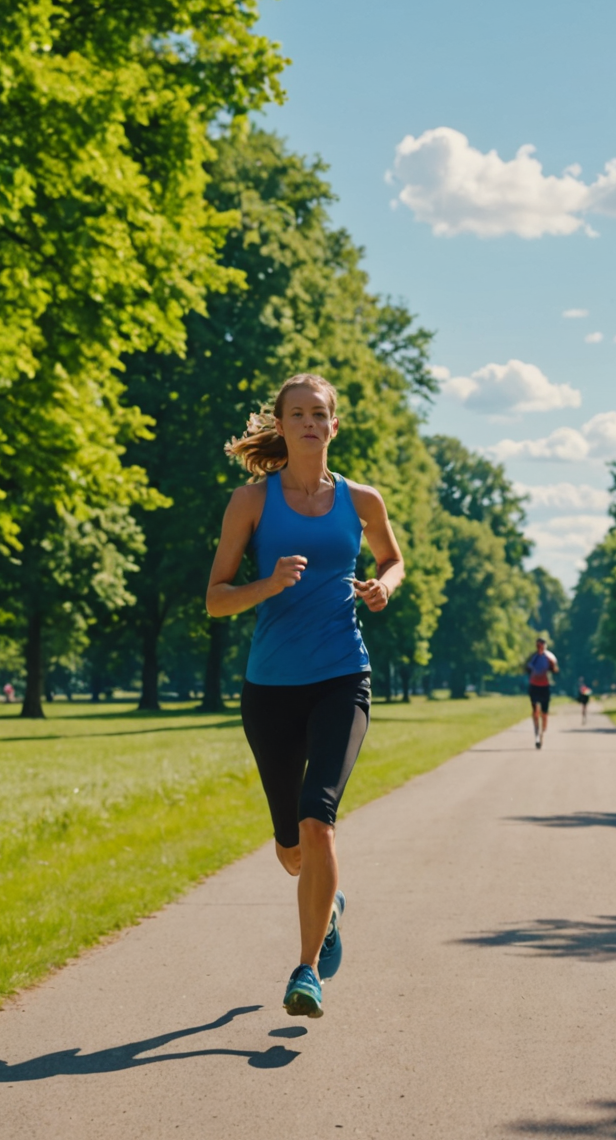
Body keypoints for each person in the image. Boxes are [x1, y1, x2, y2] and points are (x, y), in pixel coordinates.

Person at [206, 373, 406, 1020]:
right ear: (283, 425)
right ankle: (331, 904)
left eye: (320, 414)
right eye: (298, 414)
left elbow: (392, 560)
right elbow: (215, 599)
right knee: (291, 849)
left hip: (343, 676)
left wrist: (384, 588)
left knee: (320, 821)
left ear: (334, 425)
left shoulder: (362, 499)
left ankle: (306, 969)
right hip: (270, 689)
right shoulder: (251, 503)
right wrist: (268, 585)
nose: (310, 424)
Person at [525, 636, 559, 748]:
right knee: (535, 712)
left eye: (541, 645)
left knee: (544, 714)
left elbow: (555, 670)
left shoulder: (549, 657)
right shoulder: (533, 657)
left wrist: (552, 666)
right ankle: (537, 737)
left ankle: (542, 734)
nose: (539, 647)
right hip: (534, 686)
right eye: (538, 645)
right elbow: (526, 667)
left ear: (544, 646)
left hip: (545, 687)